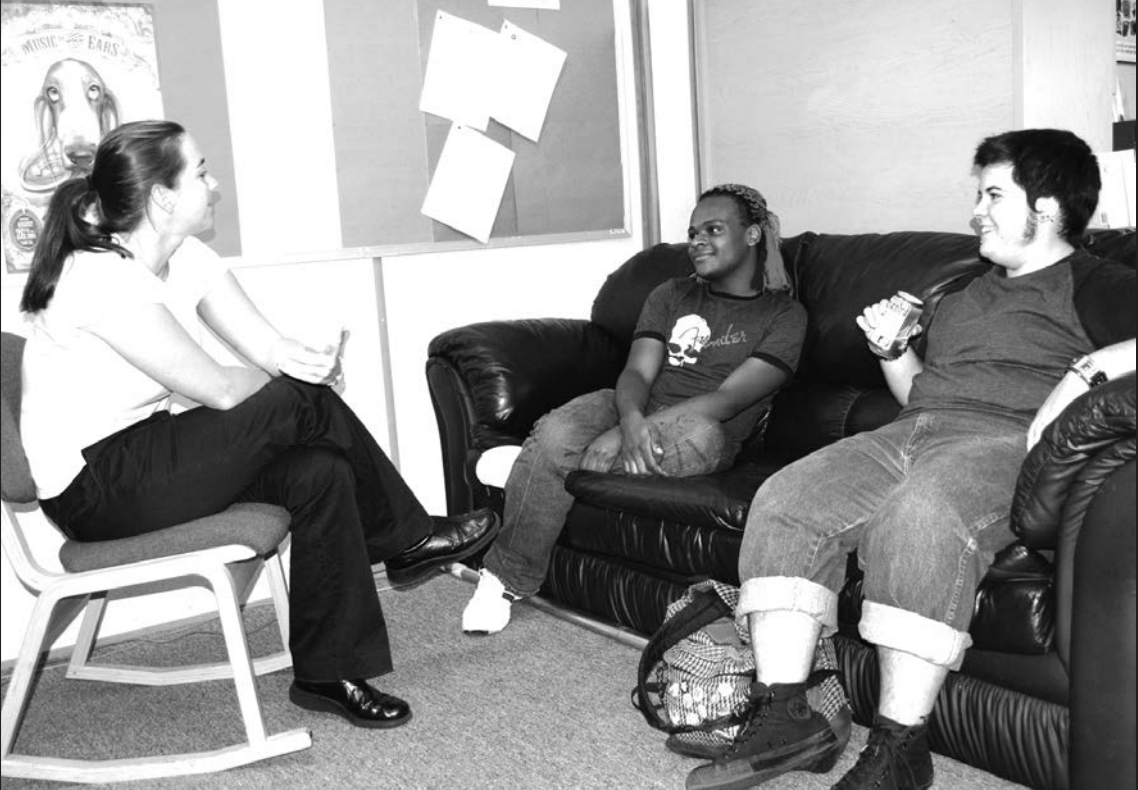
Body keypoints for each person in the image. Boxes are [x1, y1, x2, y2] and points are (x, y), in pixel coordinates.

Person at [685, 129, 1137, 790]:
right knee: (788, 499)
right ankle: (788, 716)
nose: (976, 211)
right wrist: (894, 351)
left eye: (992, 195)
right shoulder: (962, 293)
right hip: (914, 429)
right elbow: (919, 397)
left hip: (1007, 443)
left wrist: (1091, 370)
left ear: (1045, 206)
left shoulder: (1095, 282)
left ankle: (900, 750)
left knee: (921, 512)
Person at [18, 120, 500, 730]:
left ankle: (329, 672)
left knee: (318, 471)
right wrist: (295, 388)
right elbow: (219, 389)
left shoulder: (186, 257)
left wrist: (310, 364)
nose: (213, 184)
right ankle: (404, 538)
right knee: (300, 405)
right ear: (162, 198)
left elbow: (269, 351)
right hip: (95, 487)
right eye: (200, 172)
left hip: (149, 455)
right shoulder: (99, 277)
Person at [461, 184, 808, 634]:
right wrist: (627, 421)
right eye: (693, 232)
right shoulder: (671, 294)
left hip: (703, 426)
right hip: (636, 405)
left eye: (714, 229)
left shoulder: (784, 316)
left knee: (696, 435)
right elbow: (638, 374)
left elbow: (727, 400)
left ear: (754, 235)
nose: (697, 241)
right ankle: (506, 577)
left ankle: (538, 469)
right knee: (557, 432)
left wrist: (623, 434)